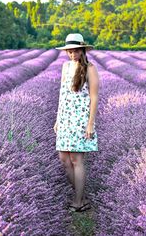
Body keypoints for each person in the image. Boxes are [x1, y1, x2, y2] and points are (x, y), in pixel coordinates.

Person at [53, 33, 99, 212]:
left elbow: (94, 97)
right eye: (69, 51)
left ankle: (78, 201)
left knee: (76, 159)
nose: (72, 54)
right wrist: (58, 119)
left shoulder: (90, 68)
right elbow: (62, 94)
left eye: (75, 51)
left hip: (80, 119)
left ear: (82, 50)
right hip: (65, 118)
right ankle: (82, 196)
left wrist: (90, 124)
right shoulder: (65, 66)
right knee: (64, 158)